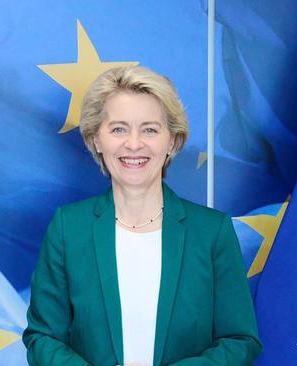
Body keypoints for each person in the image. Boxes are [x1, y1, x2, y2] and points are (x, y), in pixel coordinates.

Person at [23, 66, 262, 365]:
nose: (134, 144)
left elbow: (240, 339)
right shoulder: (67, 228)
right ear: (96, 139)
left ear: (172, 141)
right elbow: (43, 338)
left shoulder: (212, 231)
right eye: (118, 129)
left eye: (149, 129)